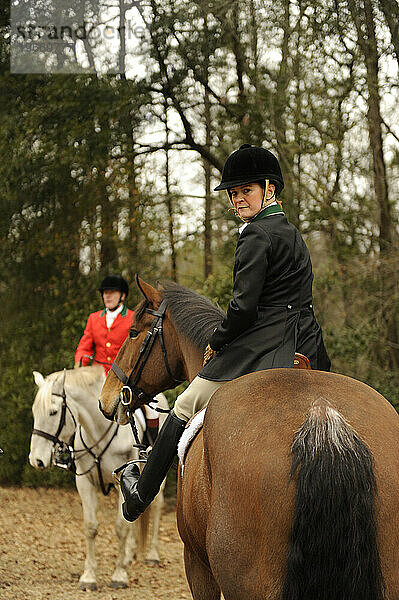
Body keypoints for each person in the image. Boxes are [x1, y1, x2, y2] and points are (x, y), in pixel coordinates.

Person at [120, 144, 331, 522]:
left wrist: (217, 341)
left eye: (245, 190)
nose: (238, 199)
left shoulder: (255, 235)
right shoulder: (294, 234)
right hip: (308, 345)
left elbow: (243, 307)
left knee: (185, 404)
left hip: (262, 347)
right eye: (233, 193)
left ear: (270, 189)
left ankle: (139, 496)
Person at [75, 274, 159, 444]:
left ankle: (150, 449)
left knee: (153, 411)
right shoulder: (93, 319)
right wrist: (79, 366)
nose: (107, 296)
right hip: (97, 378)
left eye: (112, 292)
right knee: (75, 407)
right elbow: (85, 346)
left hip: (124, 377)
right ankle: (71, 454)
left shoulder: (133, 318)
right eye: (105, 293)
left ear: (122, 295)